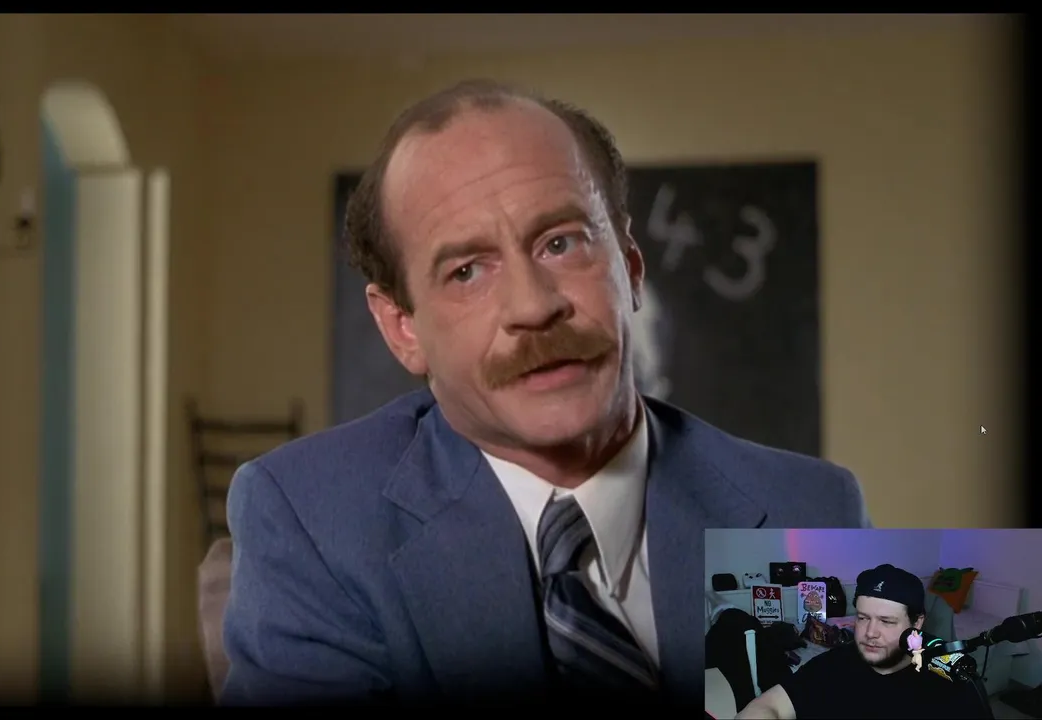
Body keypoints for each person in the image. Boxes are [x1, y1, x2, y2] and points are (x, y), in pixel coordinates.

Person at [221, 79, 871, 707]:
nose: (533, 307)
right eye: (466, 271)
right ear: (403, 328)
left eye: (561, 243)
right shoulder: (312, 522)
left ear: (631, 267)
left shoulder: (809, 511)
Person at [736, 564, 991, 719]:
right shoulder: (830, 666)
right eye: (862, 617)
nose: (870, 632)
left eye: (886, 621)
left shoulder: (949, 684)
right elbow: (768, 706)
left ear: (917, 623)